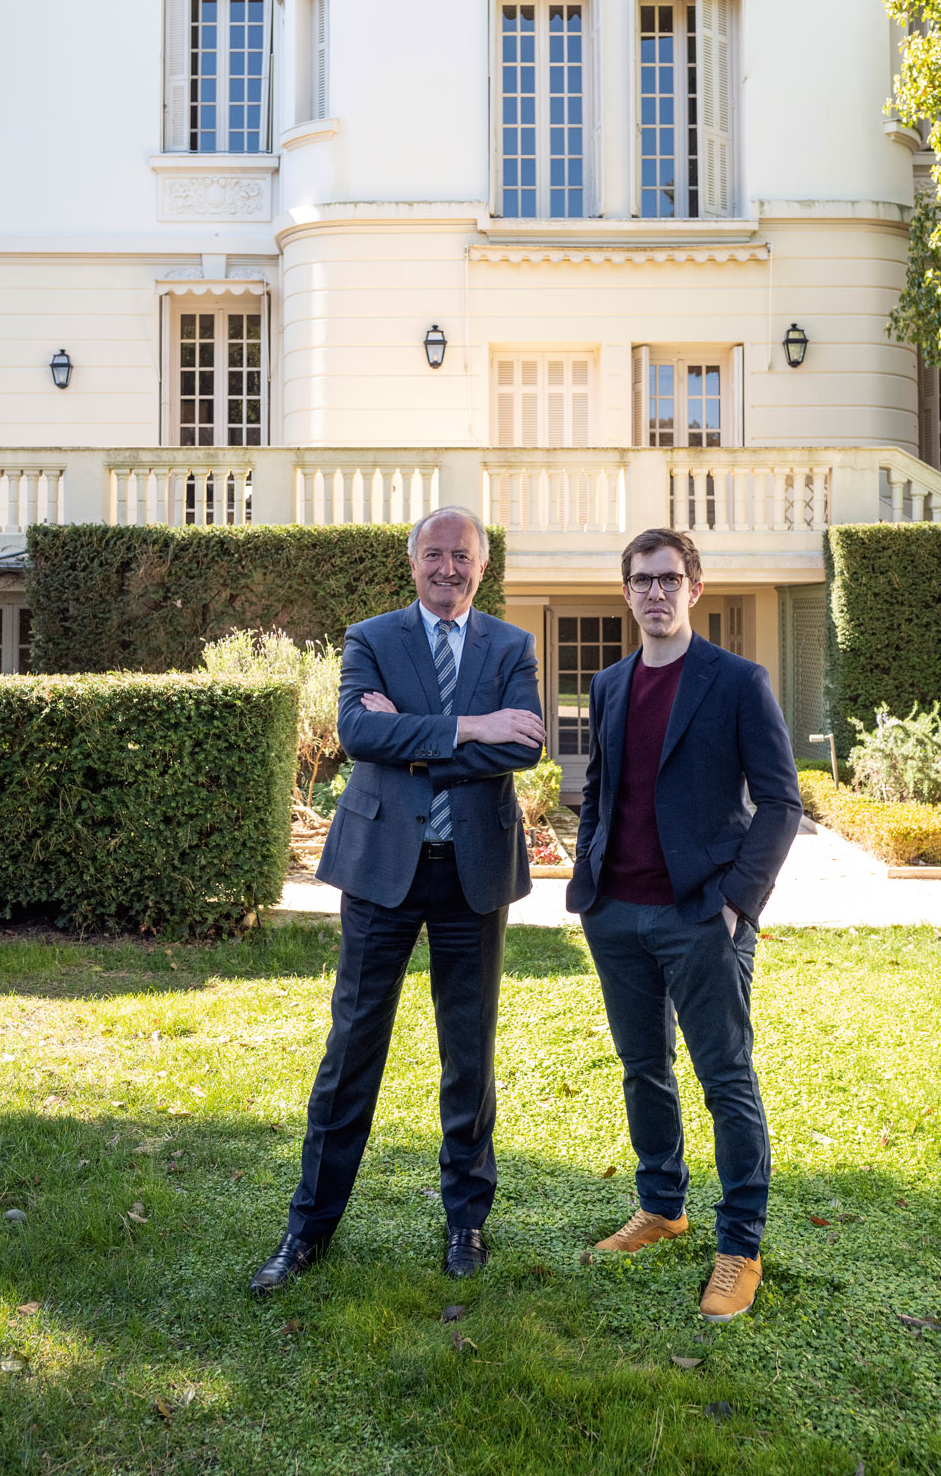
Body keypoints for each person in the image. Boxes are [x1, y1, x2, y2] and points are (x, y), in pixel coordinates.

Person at [251, 505, 546, 1295]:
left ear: (482, 566)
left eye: (463, 557)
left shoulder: (511, 646)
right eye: (434, 556)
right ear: (412, 562)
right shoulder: (372, 638)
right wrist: (471, 727)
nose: (448, 569)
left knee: (468, 1054)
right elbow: (358, 735)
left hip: (472, 873)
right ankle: (308, 1227)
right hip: (384, 869)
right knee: (352, 1049)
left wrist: (416, 740)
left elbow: (526, 745)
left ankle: (466, 1223)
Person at [567, 526, 801, 1322]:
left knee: (726, 1079)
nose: (656, 593)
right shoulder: (608, 685)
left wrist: (737, 902)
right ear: (626, 591)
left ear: (694, 589)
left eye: (670, 579)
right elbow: (599, 790)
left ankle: (739, 1245)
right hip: (617, 914)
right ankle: (662, 1205)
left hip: (702, 916)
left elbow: (781, 802)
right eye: (642, 580)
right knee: (643, 1068)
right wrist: (588, 878)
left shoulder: (737, 682)